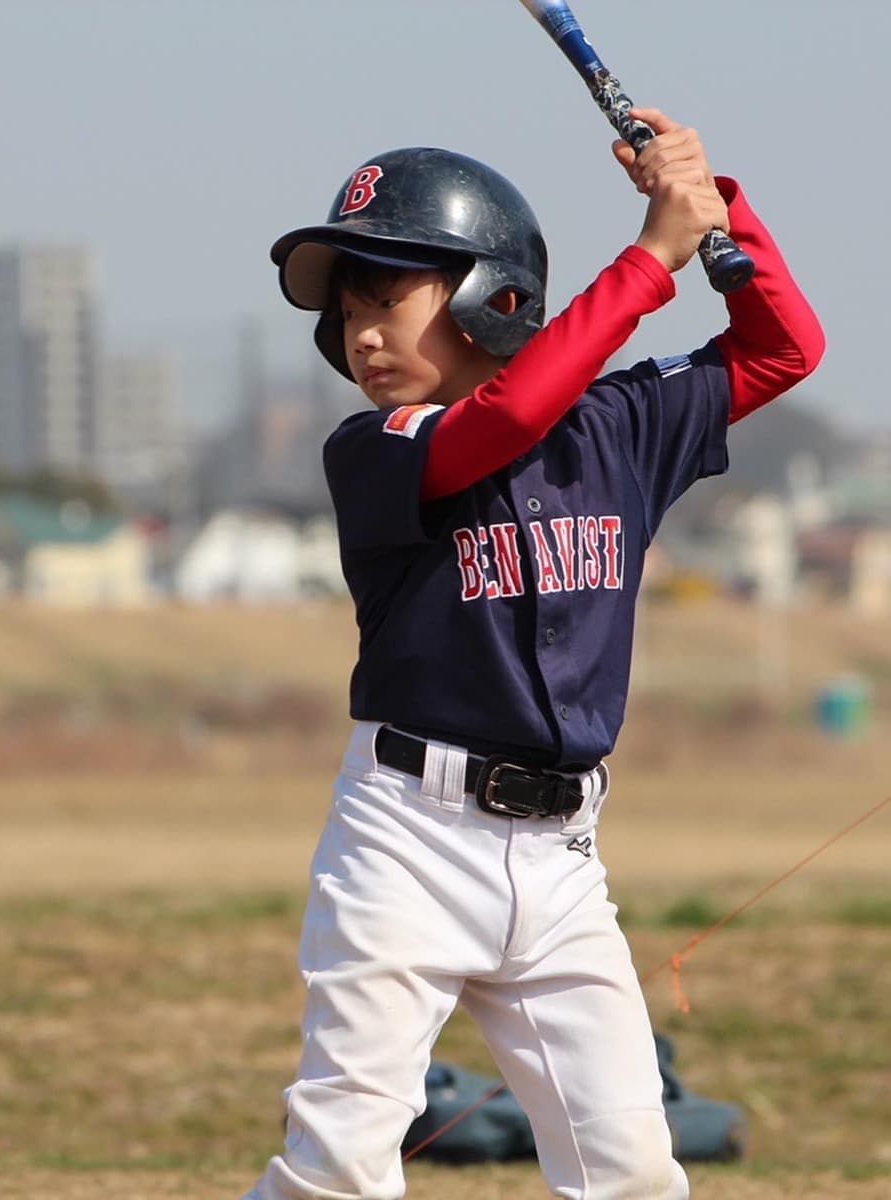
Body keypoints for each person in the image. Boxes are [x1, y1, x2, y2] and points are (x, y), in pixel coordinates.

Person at [247, 110, 824, 1200]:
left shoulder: (618, 427)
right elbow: (502, 422)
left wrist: (717, 208)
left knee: (634, 1176)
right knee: (340, 1172)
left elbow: (785, 346)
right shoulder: (375, 448)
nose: (361, 334)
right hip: (406, 844)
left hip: (560, 860)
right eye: (347, 310)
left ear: (491, 298)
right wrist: (651, 255)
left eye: (389, 299)